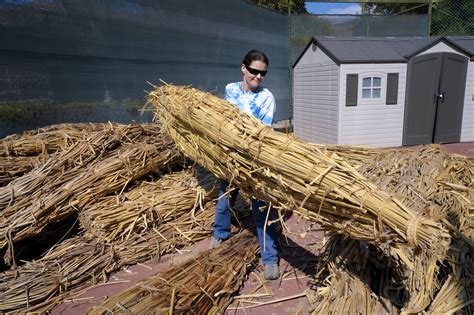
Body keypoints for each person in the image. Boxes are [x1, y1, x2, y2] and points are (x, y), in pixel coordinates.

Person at [210, 50, 279, 280]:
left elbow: (263, 134)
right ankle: (220, 234)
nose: (258, 77)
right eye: (254, 71)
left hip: (254, 161)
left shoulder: (267, 97)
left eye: (263, 73)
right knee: (225, 198)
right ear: (243, 68)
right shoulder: (230, 90)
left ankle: (269, 258)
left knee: (261, 208)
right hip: (229, 158)